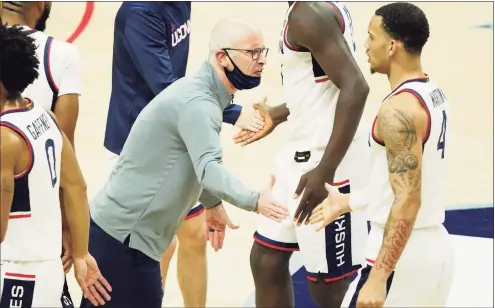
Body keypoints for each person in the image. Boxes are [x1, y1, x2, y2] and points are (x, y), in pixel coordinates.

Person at [80, 18, 288, 308]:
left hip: (133, 242)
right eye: (253, 53)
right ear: (222, 58)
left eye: (263, 51)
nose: (262, 60)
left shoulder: (207, 97)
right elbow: (209, 168)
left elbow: (190, 158)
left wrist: (212, 204)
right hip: (123, 242)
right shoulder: (199, 104)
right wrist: (255, 200)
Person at [309, 3, 454, 307]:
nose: (365, 45)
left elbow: (407, 200)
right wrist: (350, 201)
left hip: (399, 261)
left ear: (391, 46)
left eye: (370, 36)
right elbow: (406, 185)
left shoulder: (398, 111)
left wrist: (378, 278)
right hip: (437, 251)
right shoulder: (433, 92)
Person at [233, 1, 371, 307]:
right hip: (298, 153)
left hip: (328, 157)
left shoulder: (307, 13)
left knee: (329, 286)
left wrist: (327, 169)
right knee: (266, 258)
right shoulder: (310, 8)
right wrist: (280, 113)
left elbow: (355, 87)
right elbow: (321, 83)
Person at [0, 25, 111, 308]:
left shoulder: (5, 141)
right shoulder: (43, 114)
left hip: (17, 277)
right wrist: (81, 254)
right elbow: (76, 185)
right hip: (50, 274)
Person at [1, 2, 83, 307]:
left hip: (16, 264)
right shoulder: (42, 113)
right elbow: (73, 175)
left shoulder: (6, 138)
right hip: (45, 244)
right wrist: (75, 238)